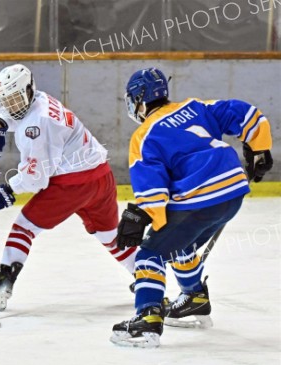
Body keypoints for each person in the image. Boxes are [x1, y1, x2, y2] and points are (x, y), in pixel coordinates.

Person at [111, 68, 273, 348]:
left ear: (139, 99)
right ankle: (195, 298)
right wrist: (260, 148)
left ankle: (147, 319)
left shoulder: (144, 134)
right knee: (178, 242)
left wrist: (146, 215)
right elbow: (245, 113)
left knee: (150, 253)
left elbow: (151, 184)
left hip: (201, 198)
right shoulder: (195, 106)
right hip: (232, 192)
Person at [0, 63, 138, 311]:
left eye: (16, 99)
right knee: (109, 235)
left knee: (24, 227)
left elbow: (37, 177)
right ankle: (147, 277)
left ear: (29, 90)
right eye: (6, 100)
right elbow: (15, 113)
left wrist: (6, 192)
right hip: (101, 178)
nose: (11, 106)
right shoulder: (39, 99)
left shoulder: (37, 126)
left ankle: (2, 284)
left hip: (72, 184)